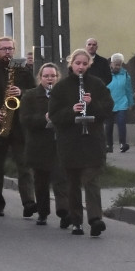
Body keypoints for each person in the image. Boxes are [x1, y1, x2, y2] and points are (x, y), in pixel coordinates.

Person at [48, 49, 114, 236]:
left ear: (89, 66)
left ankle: (95, 219)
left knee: (91, 181)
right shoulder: (61, 87)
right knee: (73, 183)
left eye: (85, 64)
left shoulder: (97, 84)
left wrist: (91, 104)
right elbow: (54, 116)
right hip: (70, 142)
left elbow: (108, 110)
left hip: (92, 141)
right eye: (78, 63)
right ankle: (76, 221)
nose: (81, 67)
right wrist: (72, 110)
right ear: (71, 64)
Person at [0, 36, 36, 217]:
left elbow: (35, 93)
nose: (8, 52)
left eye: (10, 48)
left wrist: (22, 92)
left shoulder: (24, 70)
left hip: (18, 125)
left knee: (24, 165)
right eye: (4, 49)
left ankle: (29, 202)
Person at [20, 62, 69, 227]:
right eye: (46, 76)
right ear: (40, 78)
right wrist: (44, 118)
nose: (50, 79)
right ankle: (42, 212)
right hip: (39, 145)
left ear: (58, 77)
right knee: (41, 181)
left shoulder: (63, 94)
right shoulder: (30, 96)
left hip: (59, 144)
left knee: (61, 179)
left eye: (53, 76)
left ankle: (64, 212)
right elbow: (25, 120)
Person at [106, 53, 134, 153]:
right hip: (108, 103)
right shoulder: (105, 74)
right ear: (111, 63)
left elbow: (128, 89)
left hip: (122, 102)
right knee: (108, 125)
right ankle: (109, 145)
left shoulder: (125, 74)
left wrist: (131, 102)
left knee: (121, 123)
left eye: (119, 64)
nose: (117, 66)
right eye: (116, 64)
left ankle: (123, 144)